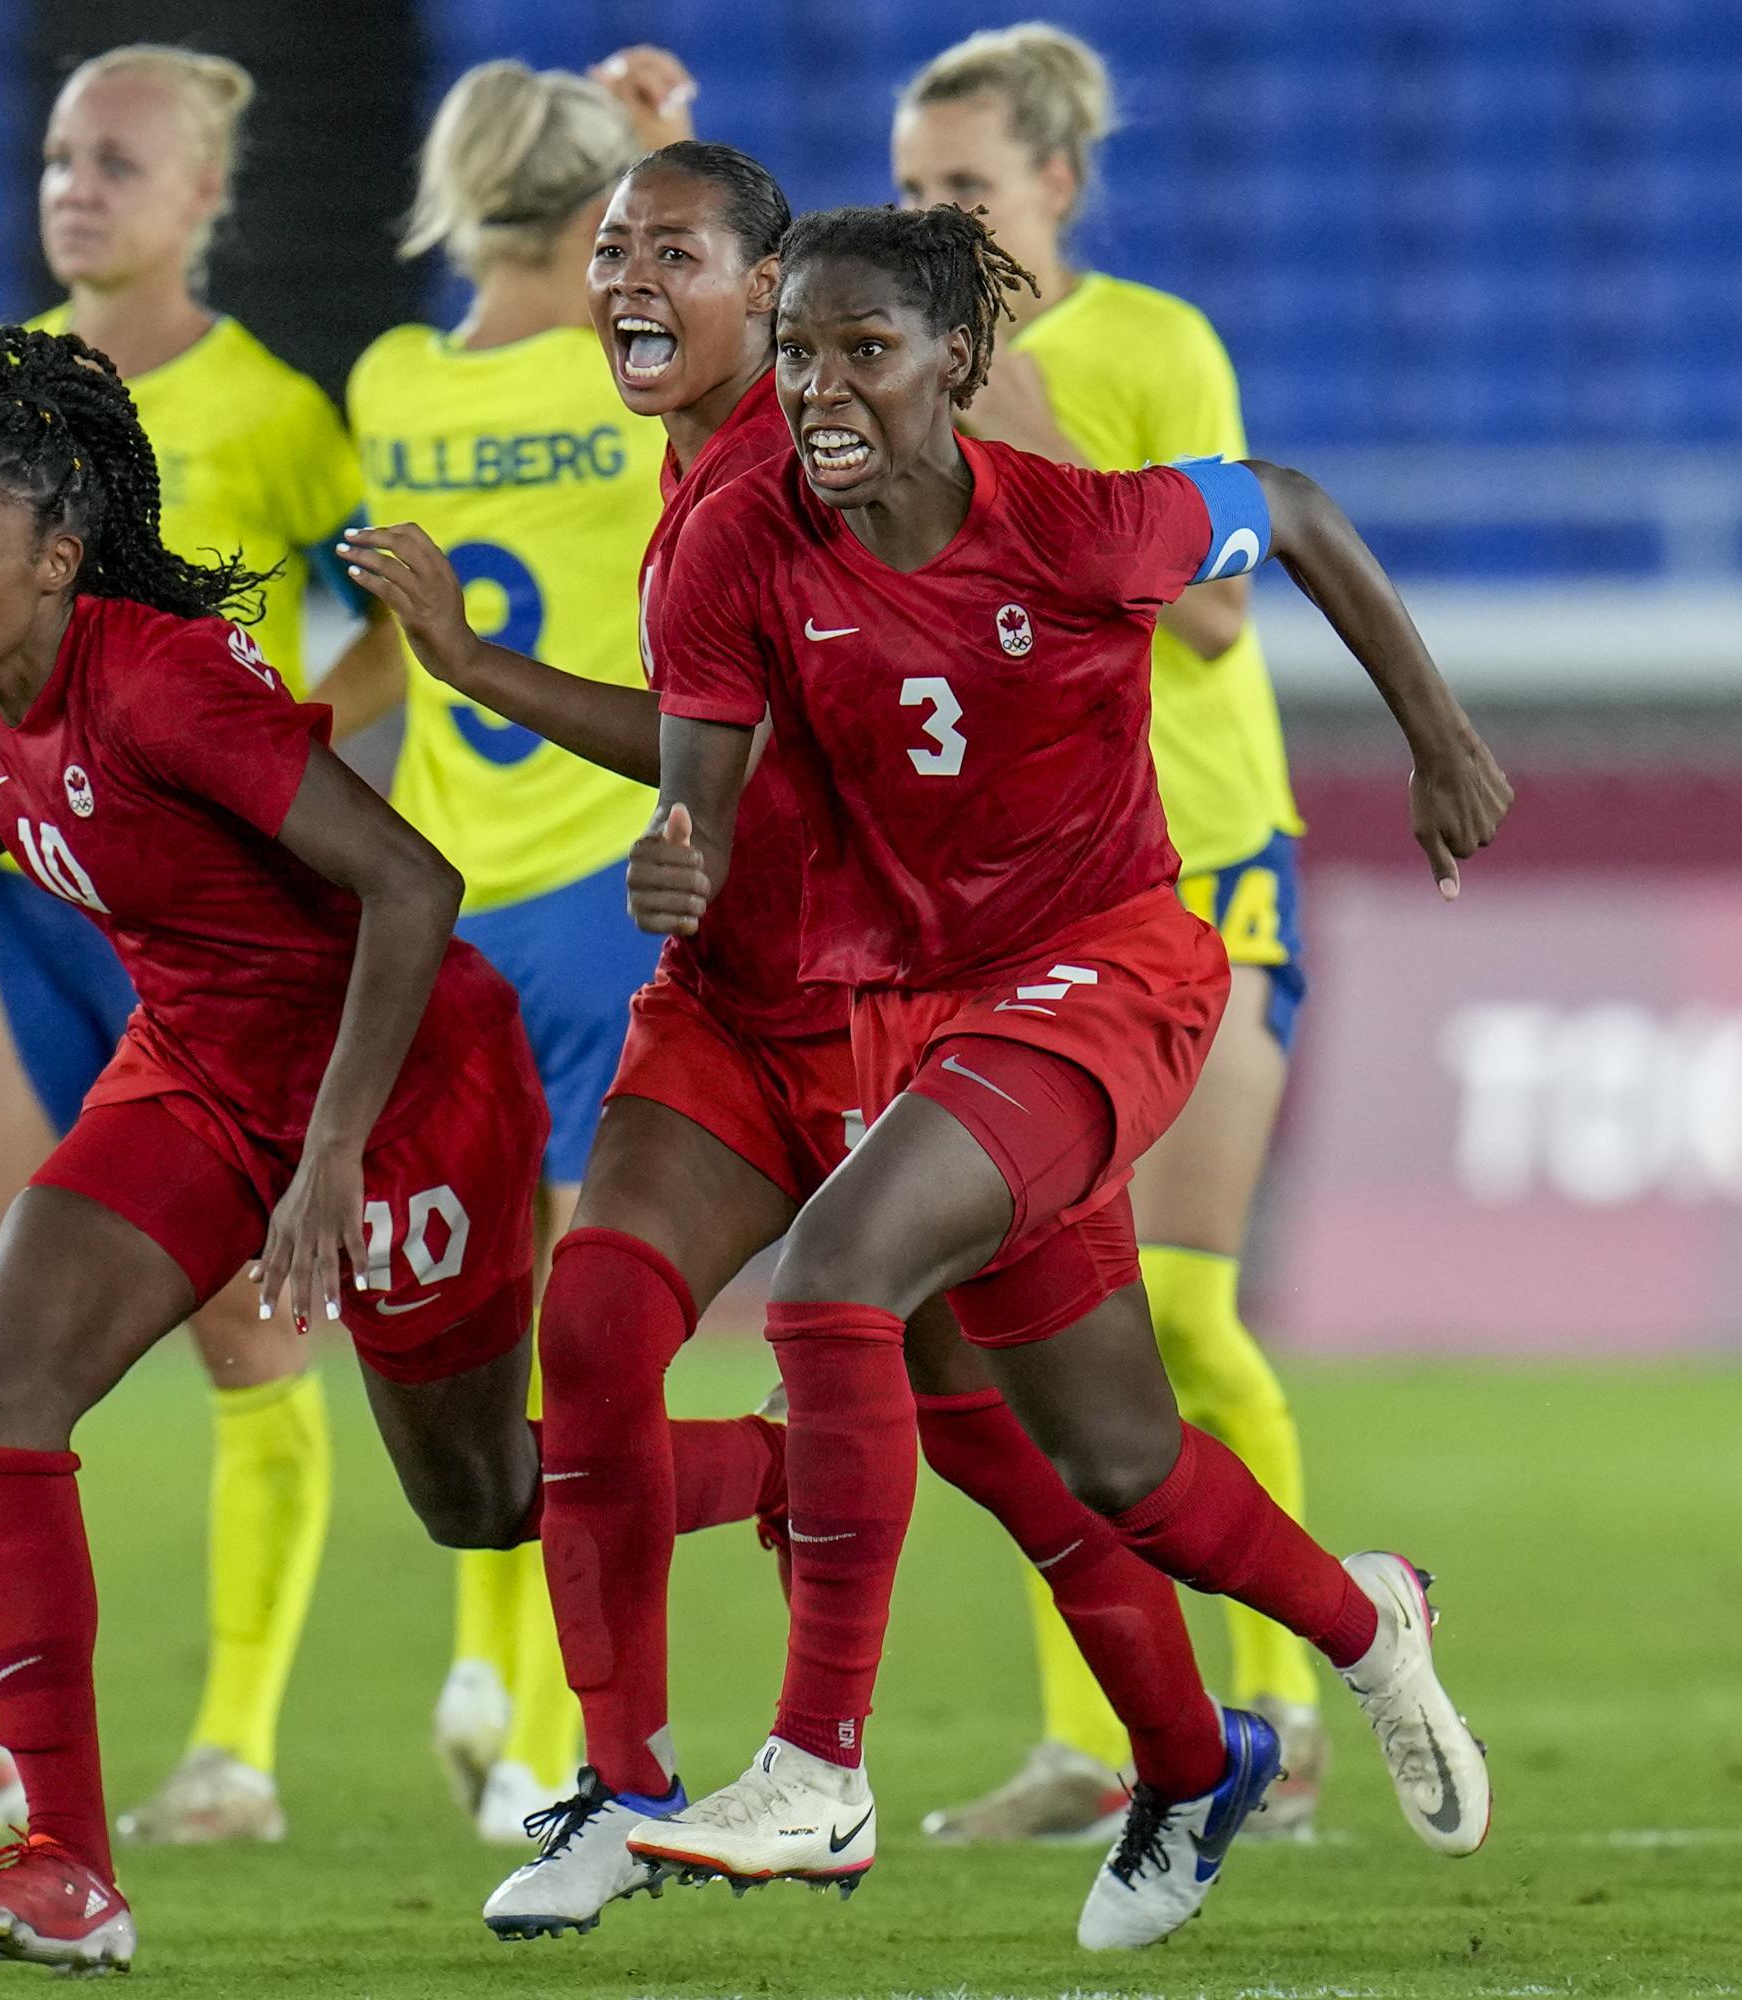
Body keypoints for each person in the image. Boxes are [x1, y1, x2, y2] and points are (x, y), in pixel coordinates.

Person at [0, 327, 789, 1975]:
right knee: (4, 1387)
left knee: (482, 1499)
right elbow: (21, 793)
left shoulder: (163, 678)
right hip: (199, 1074)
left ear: (61, 562)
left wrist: (335, 1153)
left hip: (407, 1086)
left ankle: (791, 1469)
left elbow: (413, 884)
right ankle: (71, 1857)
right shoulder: (18, 678)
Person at [348, 140, 1264, 1955]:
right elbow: (717, 750)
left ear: (765, 297)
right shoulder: (706, 469)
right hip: (733, 1003)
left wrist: (473, 667)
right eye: (611, 248)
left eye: (671, 253)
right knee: (603, 1324)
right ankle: (626, 1787)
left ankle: (1180, 1749)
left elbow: (794, 743)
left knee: (1006, 1435)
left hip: (882, 999)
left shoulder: (812, 469)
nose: (628, 281)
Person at [612, 201, 1506, 1932]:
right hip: (925, 1015)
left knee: (838, 1275)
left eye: (864, 351)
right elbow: (702, 794)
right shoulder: (741, 547)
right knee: (1114, 1460)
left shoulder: (1088, 532)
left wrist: (1442, 739)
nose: (818, 389)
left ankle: (816, 1766)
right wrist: (680, 855)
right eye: (796, 352)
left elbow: (1300, 509)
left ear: (962, 364)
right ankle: (1357, 1622)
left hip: (1107, 979)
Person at [0, 43, 364, 1853]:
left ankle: (234, 1744)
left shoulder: (283, 414)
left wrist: (286, 761)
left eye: (123, 162)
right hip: (20, 884)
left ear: (207, 195)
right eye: (62, 155)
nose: (81, 186)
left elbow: (384, 637)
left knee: (240, 1332)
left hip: (191, 927)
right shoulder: (9, 387)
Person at [893, 20, 1334, 1843]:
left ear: (1056, 186)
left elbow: (1222, 624)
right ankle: (1104, 1742)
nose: (936, 221)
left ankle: (1291, 1709)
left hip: (1206, 863)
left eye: (967, 189)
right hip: (1024, 893)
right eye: (913, 190)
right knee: (1030, 1321)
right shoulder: (890, 370)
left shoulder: (1148, 349)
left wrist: (1028, 427)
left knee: (1186, 1308)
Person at [325, 48, 693, 1840]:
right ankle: (553, 1727)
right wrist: (668, 143)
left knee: (481, 1313)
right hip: (619, 887)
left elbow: (388, 644)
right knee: (595, 1341)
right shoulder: (625, 379)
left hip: (450, 906)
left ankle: (488, 1661)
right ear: (597, 213)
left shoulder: (393, 384)